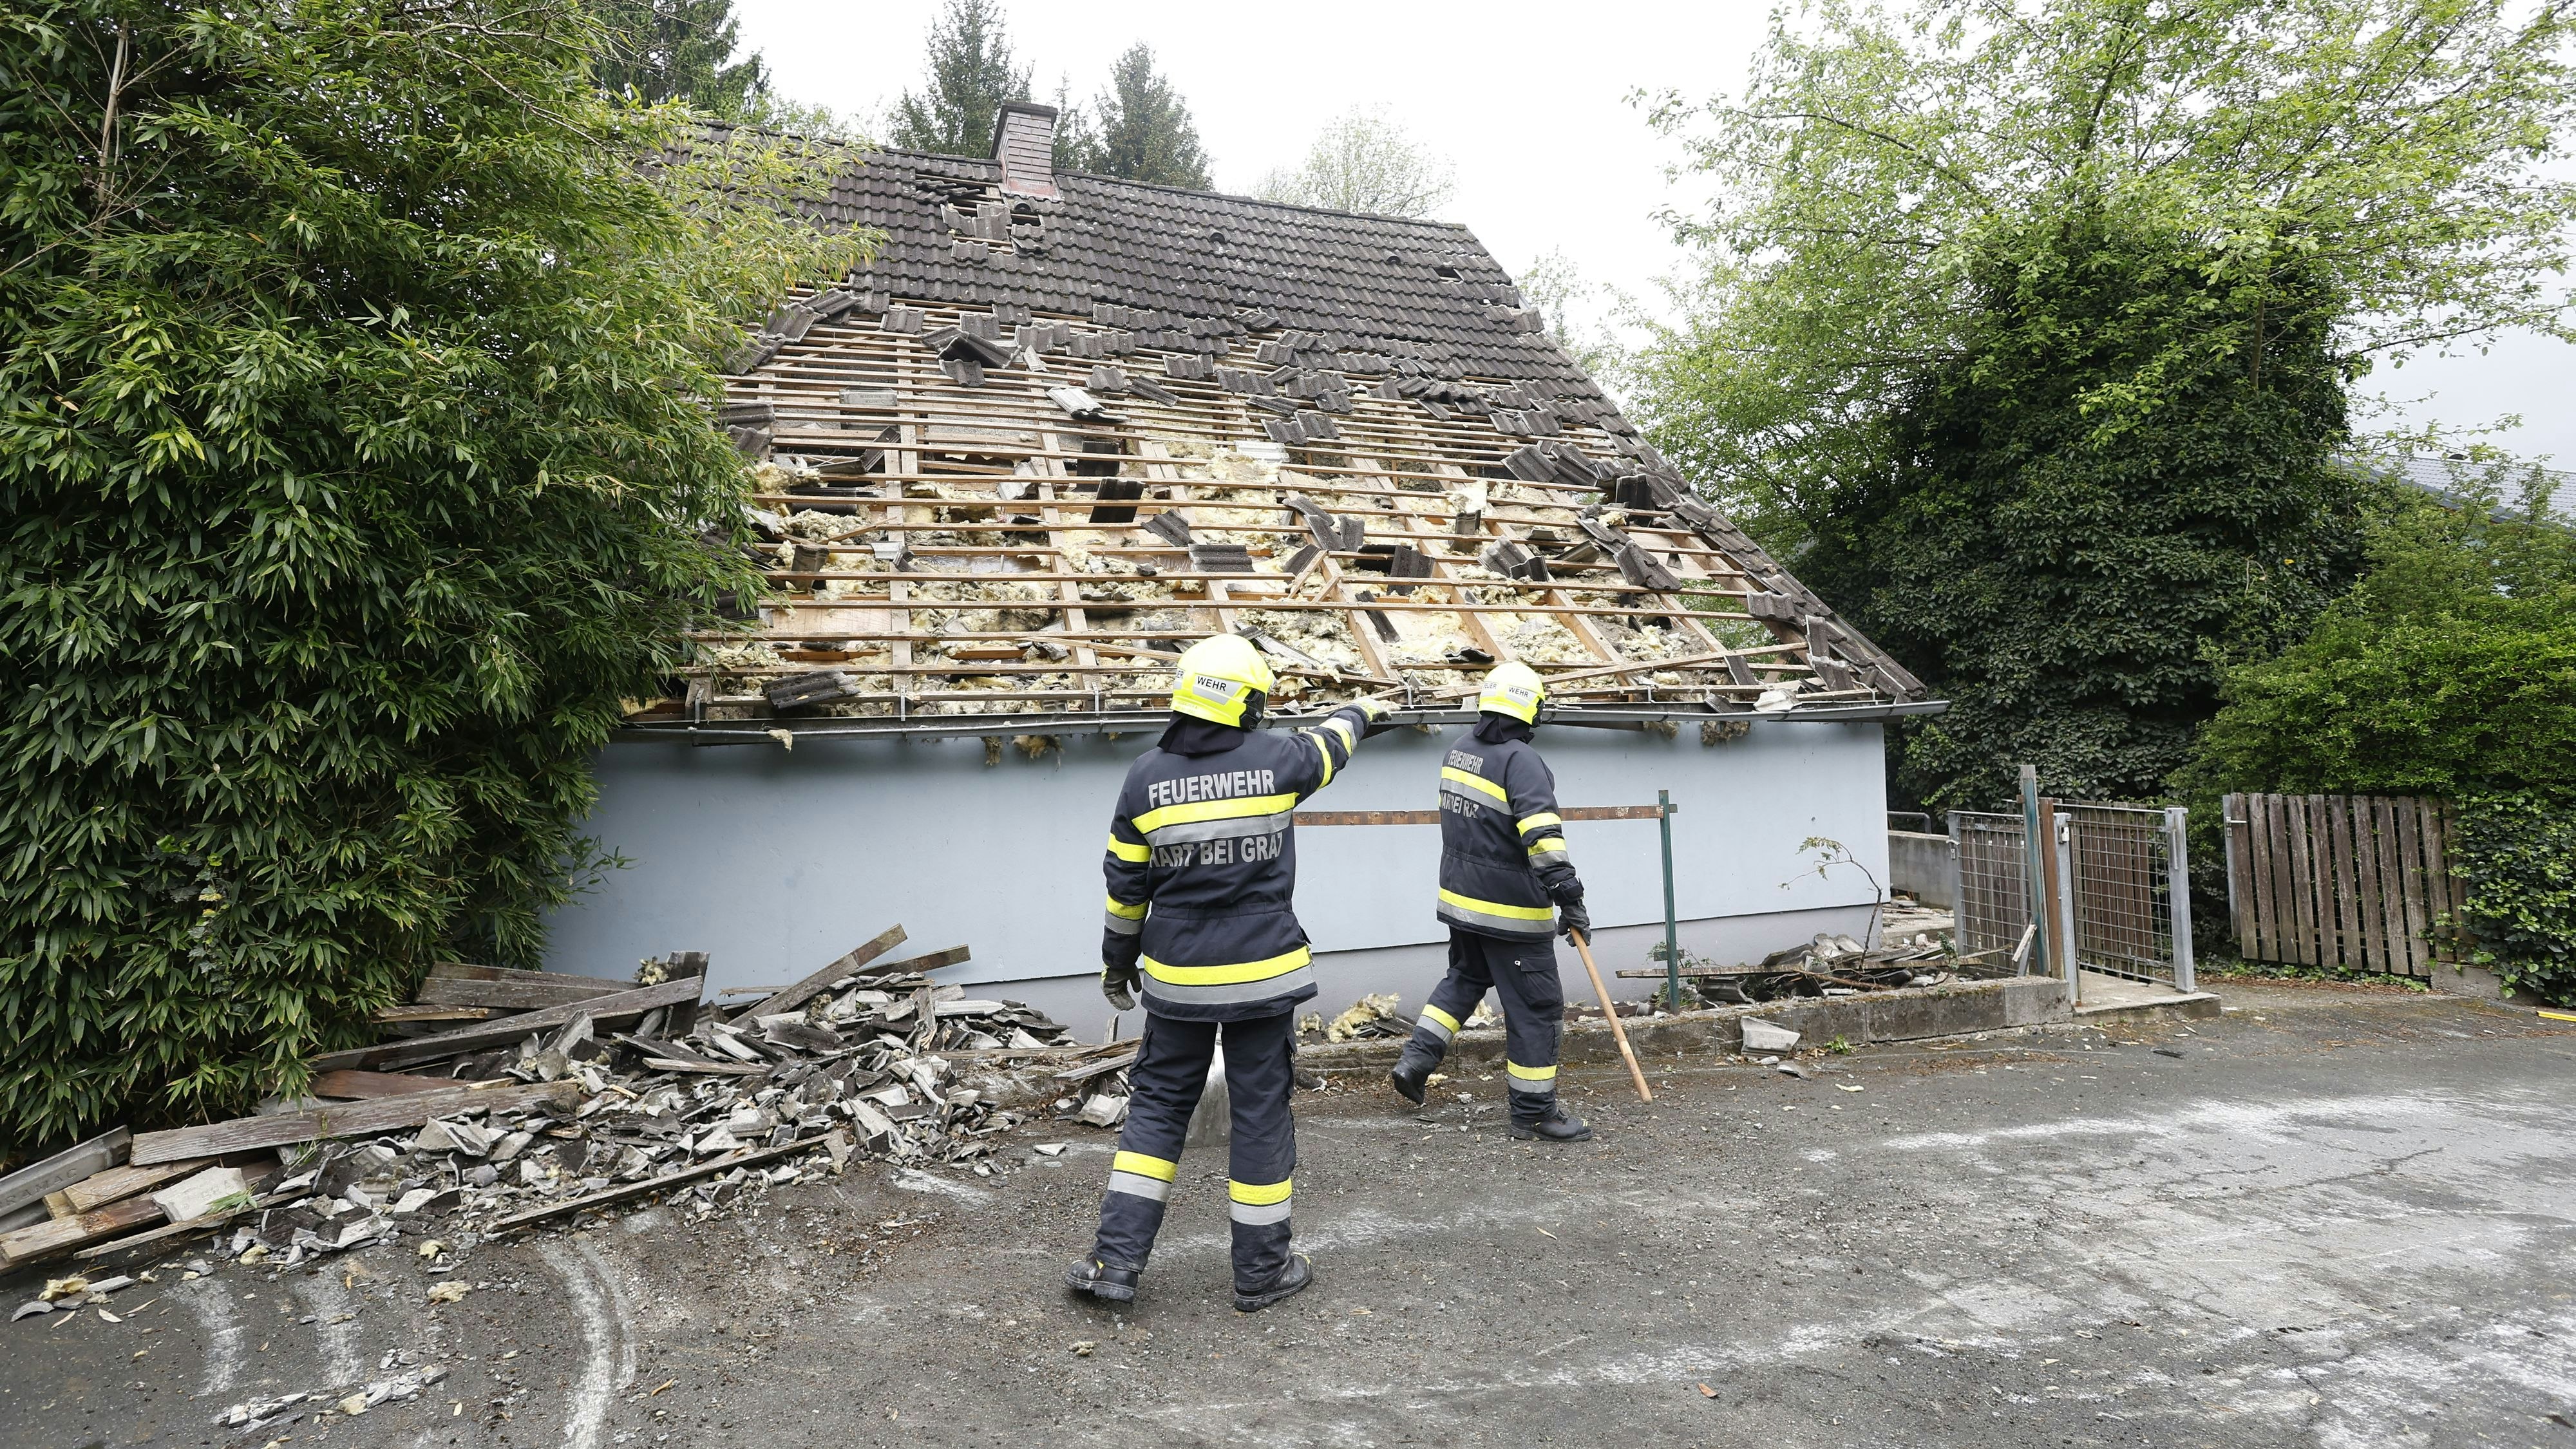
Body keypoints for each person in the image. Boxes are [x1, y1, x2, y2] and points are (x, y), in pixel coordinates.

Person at [1066, 634, 1388, 1311]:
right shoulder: (1279, 758)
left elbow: (1125, 889)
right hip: (1263, 978)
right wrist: (1361, 709)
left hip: (1178, 981)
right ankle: (1262, 1272)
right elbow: (1330, 746)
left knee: (1157, 1110)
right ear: (1244, 702)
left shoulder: (1144, 777)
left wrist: (1117, 963)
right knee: (1260, 1115)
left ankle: (1114, 1263)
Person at [1388, 662, 1593, 1141]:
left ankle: (1416, 1061)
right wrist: (1570, 896)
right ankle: (1534, 1113)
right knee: (1536, 1008)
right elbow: (1542, 837)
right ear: (1531, 709)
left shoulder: (1459, 751)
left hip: (1462, 902)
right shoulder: (1521, 760)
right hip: (1511, 913)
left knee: (1464, 979)